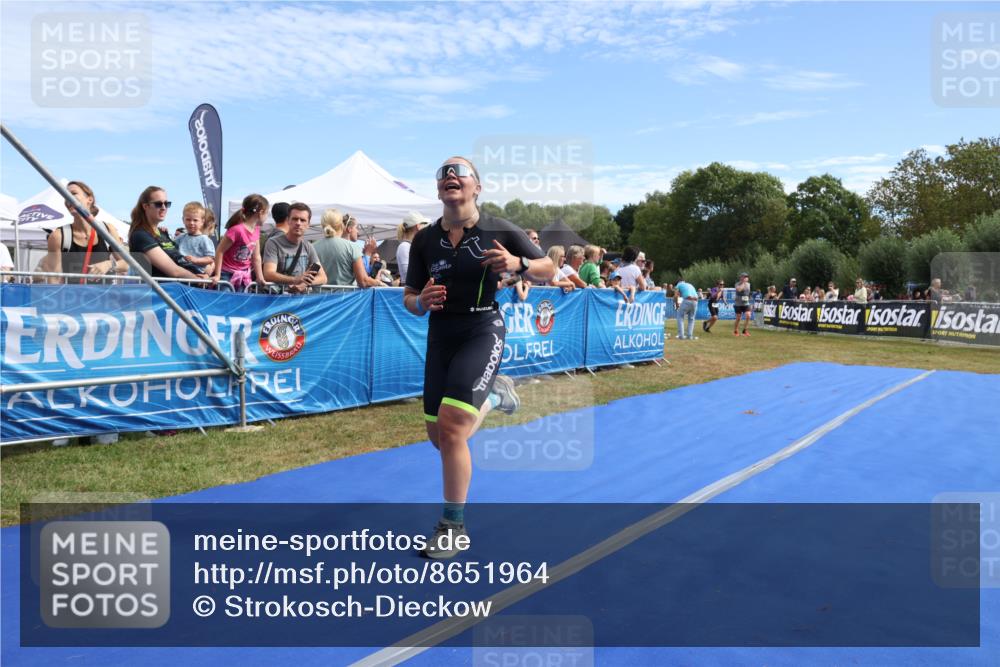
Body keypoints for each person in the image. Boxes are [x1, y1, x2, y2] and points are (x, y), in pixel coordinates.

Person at [403, 156, 552, 560]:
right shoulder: (423, 240)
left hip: (482, 328)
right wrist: (421, 302)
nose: (450, 177)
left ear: (477, 187)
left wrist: (519, 263)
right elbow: (409, 297)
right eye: (443, 174)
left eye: (460, 172)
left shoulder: (498, 229)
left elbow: (549, 268)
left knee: (452, 429)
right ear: (438, 191)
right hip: (440, 335)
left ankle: (452, 526)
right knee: (440, 438)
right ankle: (495, 397)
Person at [42, 180, 128, 284]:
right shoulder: (58, 236)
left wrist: (108, 264)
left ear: (89, 199)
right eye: (65, 195)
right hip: (74, 298)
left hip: (104, 297)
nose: (68, 198)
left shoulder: (108, 229)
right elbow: (54, 279)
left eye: (73, 193)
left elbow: (125, 264)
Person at [128, 186, 203, 280]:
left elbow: (180, 259)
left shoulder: (162, 233)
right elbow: (174, 271)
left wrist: (204, 273)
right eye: (158, 204)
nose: (164, 207)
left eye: (166, 203)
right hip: (163, 292)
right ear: (145, 206)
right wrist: (199, 279)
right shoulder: (140, 235)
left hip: (181, 287)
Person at [262, 202, 327, 293]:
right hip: (276, 300)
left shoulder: (307, 246)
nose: (298, 223)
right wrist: (296, 279)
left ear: (308, 224)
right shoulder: (273, 243)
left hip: (299, 301)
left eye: (302, 220)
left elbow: (323, 277)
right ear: (288, 220)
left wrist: (304, 284)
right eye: (295, 219)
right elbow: (268, 274)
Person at [212, 194, 266, 292]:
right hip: (227, 274)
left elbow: (256, 256)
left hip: (244, 275)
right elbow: (220, 251)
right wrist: (217, 274)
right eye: (267, 213)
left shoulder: (256, 230)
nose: (266, 217)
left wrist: (260, 276)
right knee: (225, 301)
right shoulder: (237, 230)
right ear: (261, 213)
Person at [314, 209, 381, 288]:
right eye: (357, 228)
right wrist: (377, 282)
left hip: (318, 298)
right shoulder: (352, 247)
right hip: (344, 298)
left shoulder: (313, 247)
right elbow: (363, 281)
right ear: (341, 225)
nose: (358, 231)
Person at [175, 202, 216, 276]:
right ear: (183, 220)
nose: (191, 223)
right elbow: (169, 246)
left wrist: (196, 260)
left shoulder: (204, 239)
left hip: (197, 272)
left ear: (202, 221)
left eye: (195, 220)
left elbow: (210, 258)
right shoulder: (180, 237)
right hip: (181, 269)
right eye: (188, 219)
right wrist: (164, 233)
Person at [396, 210, 430, 284]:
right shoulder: (404, 246)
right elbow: (408, 274)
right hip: (411, 290)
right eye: (424, 224)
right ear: (418, 226)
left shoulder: (410, 246)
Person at [674, 274, 698, 340]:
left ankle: (681, 336)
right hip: (696, 301)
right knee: (691, 319)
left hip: (687, 300)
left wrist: (676, 304)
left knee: (680, 316)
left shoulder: (678, 285)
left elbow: (676, 296)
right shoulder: (689, 284)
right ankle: (689, 336)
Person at [733, 272, 752, 336]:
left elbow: (748, 293)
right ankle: (735, 331)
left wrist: (749, 299)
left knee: (748, 315)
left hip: (746, 303)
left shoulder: (749, 284)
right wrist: (744, 283)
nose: (746, 278)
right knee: (738, 318)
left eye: (746, 277)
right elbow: (739, 290)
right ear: (741, 278)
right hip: (738, 303)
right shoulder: (737, 284)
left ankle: (745, 330)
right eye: (744, 277)